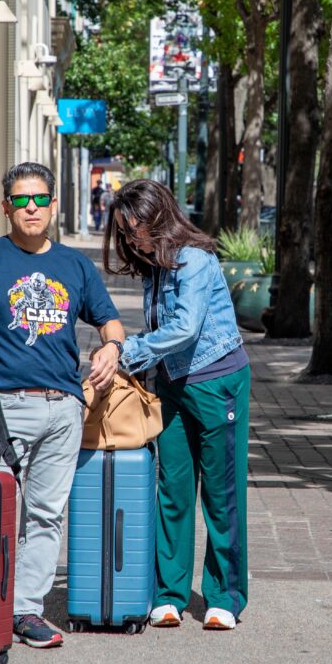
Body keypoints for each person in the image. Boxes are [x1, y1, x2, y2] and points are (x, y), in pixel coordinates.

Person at [0, 162, 125, 649]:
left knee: (46, 514)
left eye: (40, 199)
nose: (31, 207)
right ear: (6, 208)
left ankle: (25, 610)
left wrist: (111, 349)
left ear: (54, 205)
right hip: (1, 408)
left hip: (63, 409)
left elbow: (110, 322)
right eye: (21, 200)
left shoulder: (76, 266)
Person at [103, 179, 250, 631]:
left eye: (137, 229)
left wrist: (126, 352)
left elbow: (185, 329)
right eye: (126, 233)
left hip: (216, 382)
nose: (133, 240)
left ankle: (224, 597)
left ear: (159, 218)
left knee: (222, 495)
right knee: (173, 490)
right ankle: (169, 594)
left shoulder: (196, 260)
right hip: (171, 385)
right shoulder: (155, 265)